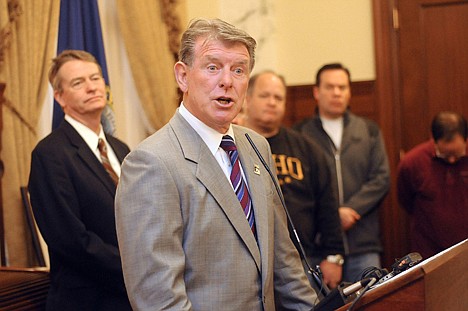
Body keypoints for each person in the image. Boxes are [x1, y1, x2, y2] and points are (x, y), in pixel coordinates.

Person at [114, 19, 317, 310]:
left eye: (238, 70)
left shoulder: (256, 146)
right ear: (182, 76)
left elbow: (285, 264)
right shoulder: (151, 163)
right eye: (212, 67)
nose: (227, 81)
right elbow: (159, 298)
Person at [28, 50, 132, 310]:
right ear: (60, 97)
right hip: (87, 300)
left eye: (95, 78)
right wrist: (135, 270)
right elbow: (72, 241)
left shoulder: (121, 150)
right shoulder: (49, 154)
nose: (91, 87)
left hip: (134, 296)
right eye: (78, 82)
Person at [243, 70, 345, 291]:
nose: (272, 102)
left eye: (278, 98)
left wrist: (334, 256)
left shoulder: (307, 149)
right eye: (264, 96)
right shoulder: (232, 147)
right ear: (247, 99)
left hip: (303, 260)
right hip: (248, 263)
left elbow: (328, 205)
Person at [294, 63, 390, 283]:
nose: (337, 93)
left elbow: (380, 178)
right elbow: (300, 189)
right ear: (317, 92)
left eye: (342, 87)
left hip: (363, 242)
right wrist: (333, 214)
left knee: (371, 302)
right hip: (319, 246)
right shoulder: (300, 134)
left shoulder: (368, 130)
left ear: (349, 92)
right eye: (330, 87)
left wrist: (351, 209)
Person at [397, 111, 468, 259]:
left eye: (457, 154)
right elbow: (405, 199)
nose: (452, 160)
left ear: (466, 140)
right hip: (428, 253)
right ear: (434, 141)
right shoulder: (412, 163)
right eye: (446, 155)